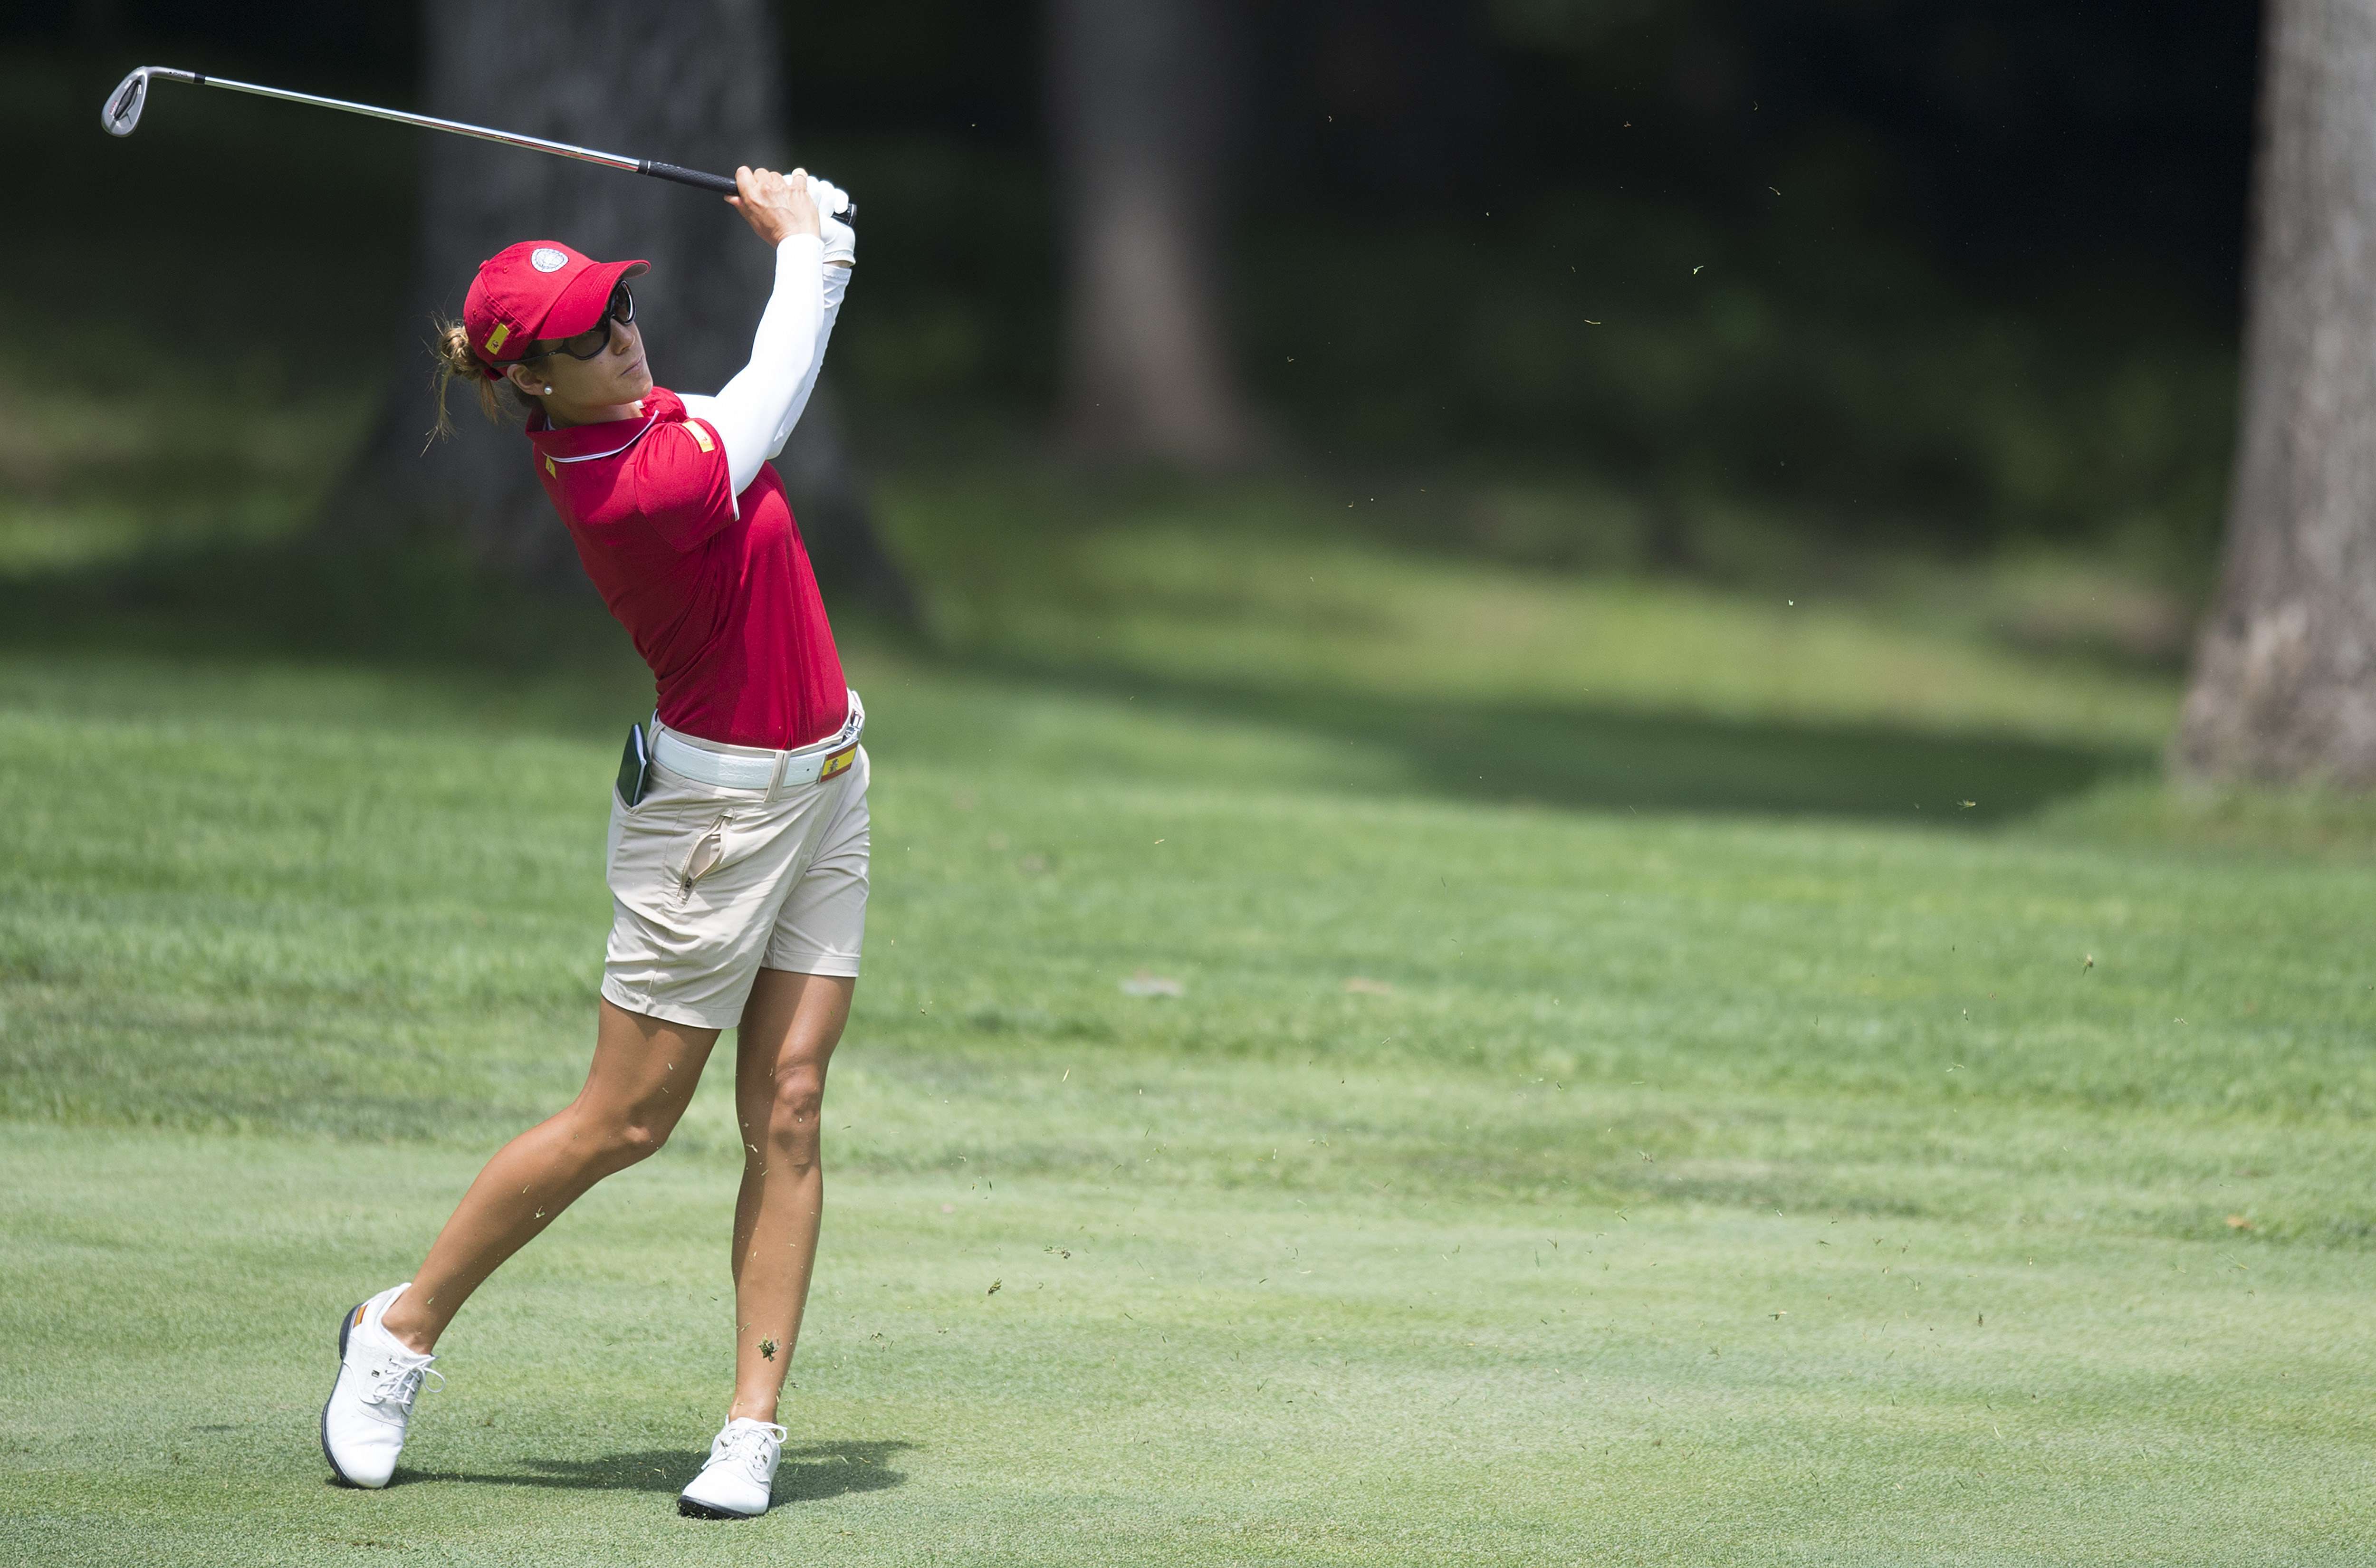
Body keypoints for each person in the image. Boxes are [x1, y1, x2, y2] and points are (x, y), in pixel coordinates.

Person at [319, 166, 864, 1520]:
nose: (620, 337)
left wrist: (825, 247)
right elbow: (773, 393)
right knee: (627, 1117)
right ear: (528, 383)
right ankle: (399, 1332)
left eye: (617, 308)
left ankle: (751, 1427)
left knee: (789, 1104)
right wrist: (808, 253)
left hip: (831, 776)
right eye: (582, 337)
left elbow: (761, 373)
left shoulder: (639, 411)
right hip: (715, 817)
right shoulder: (631, 483)